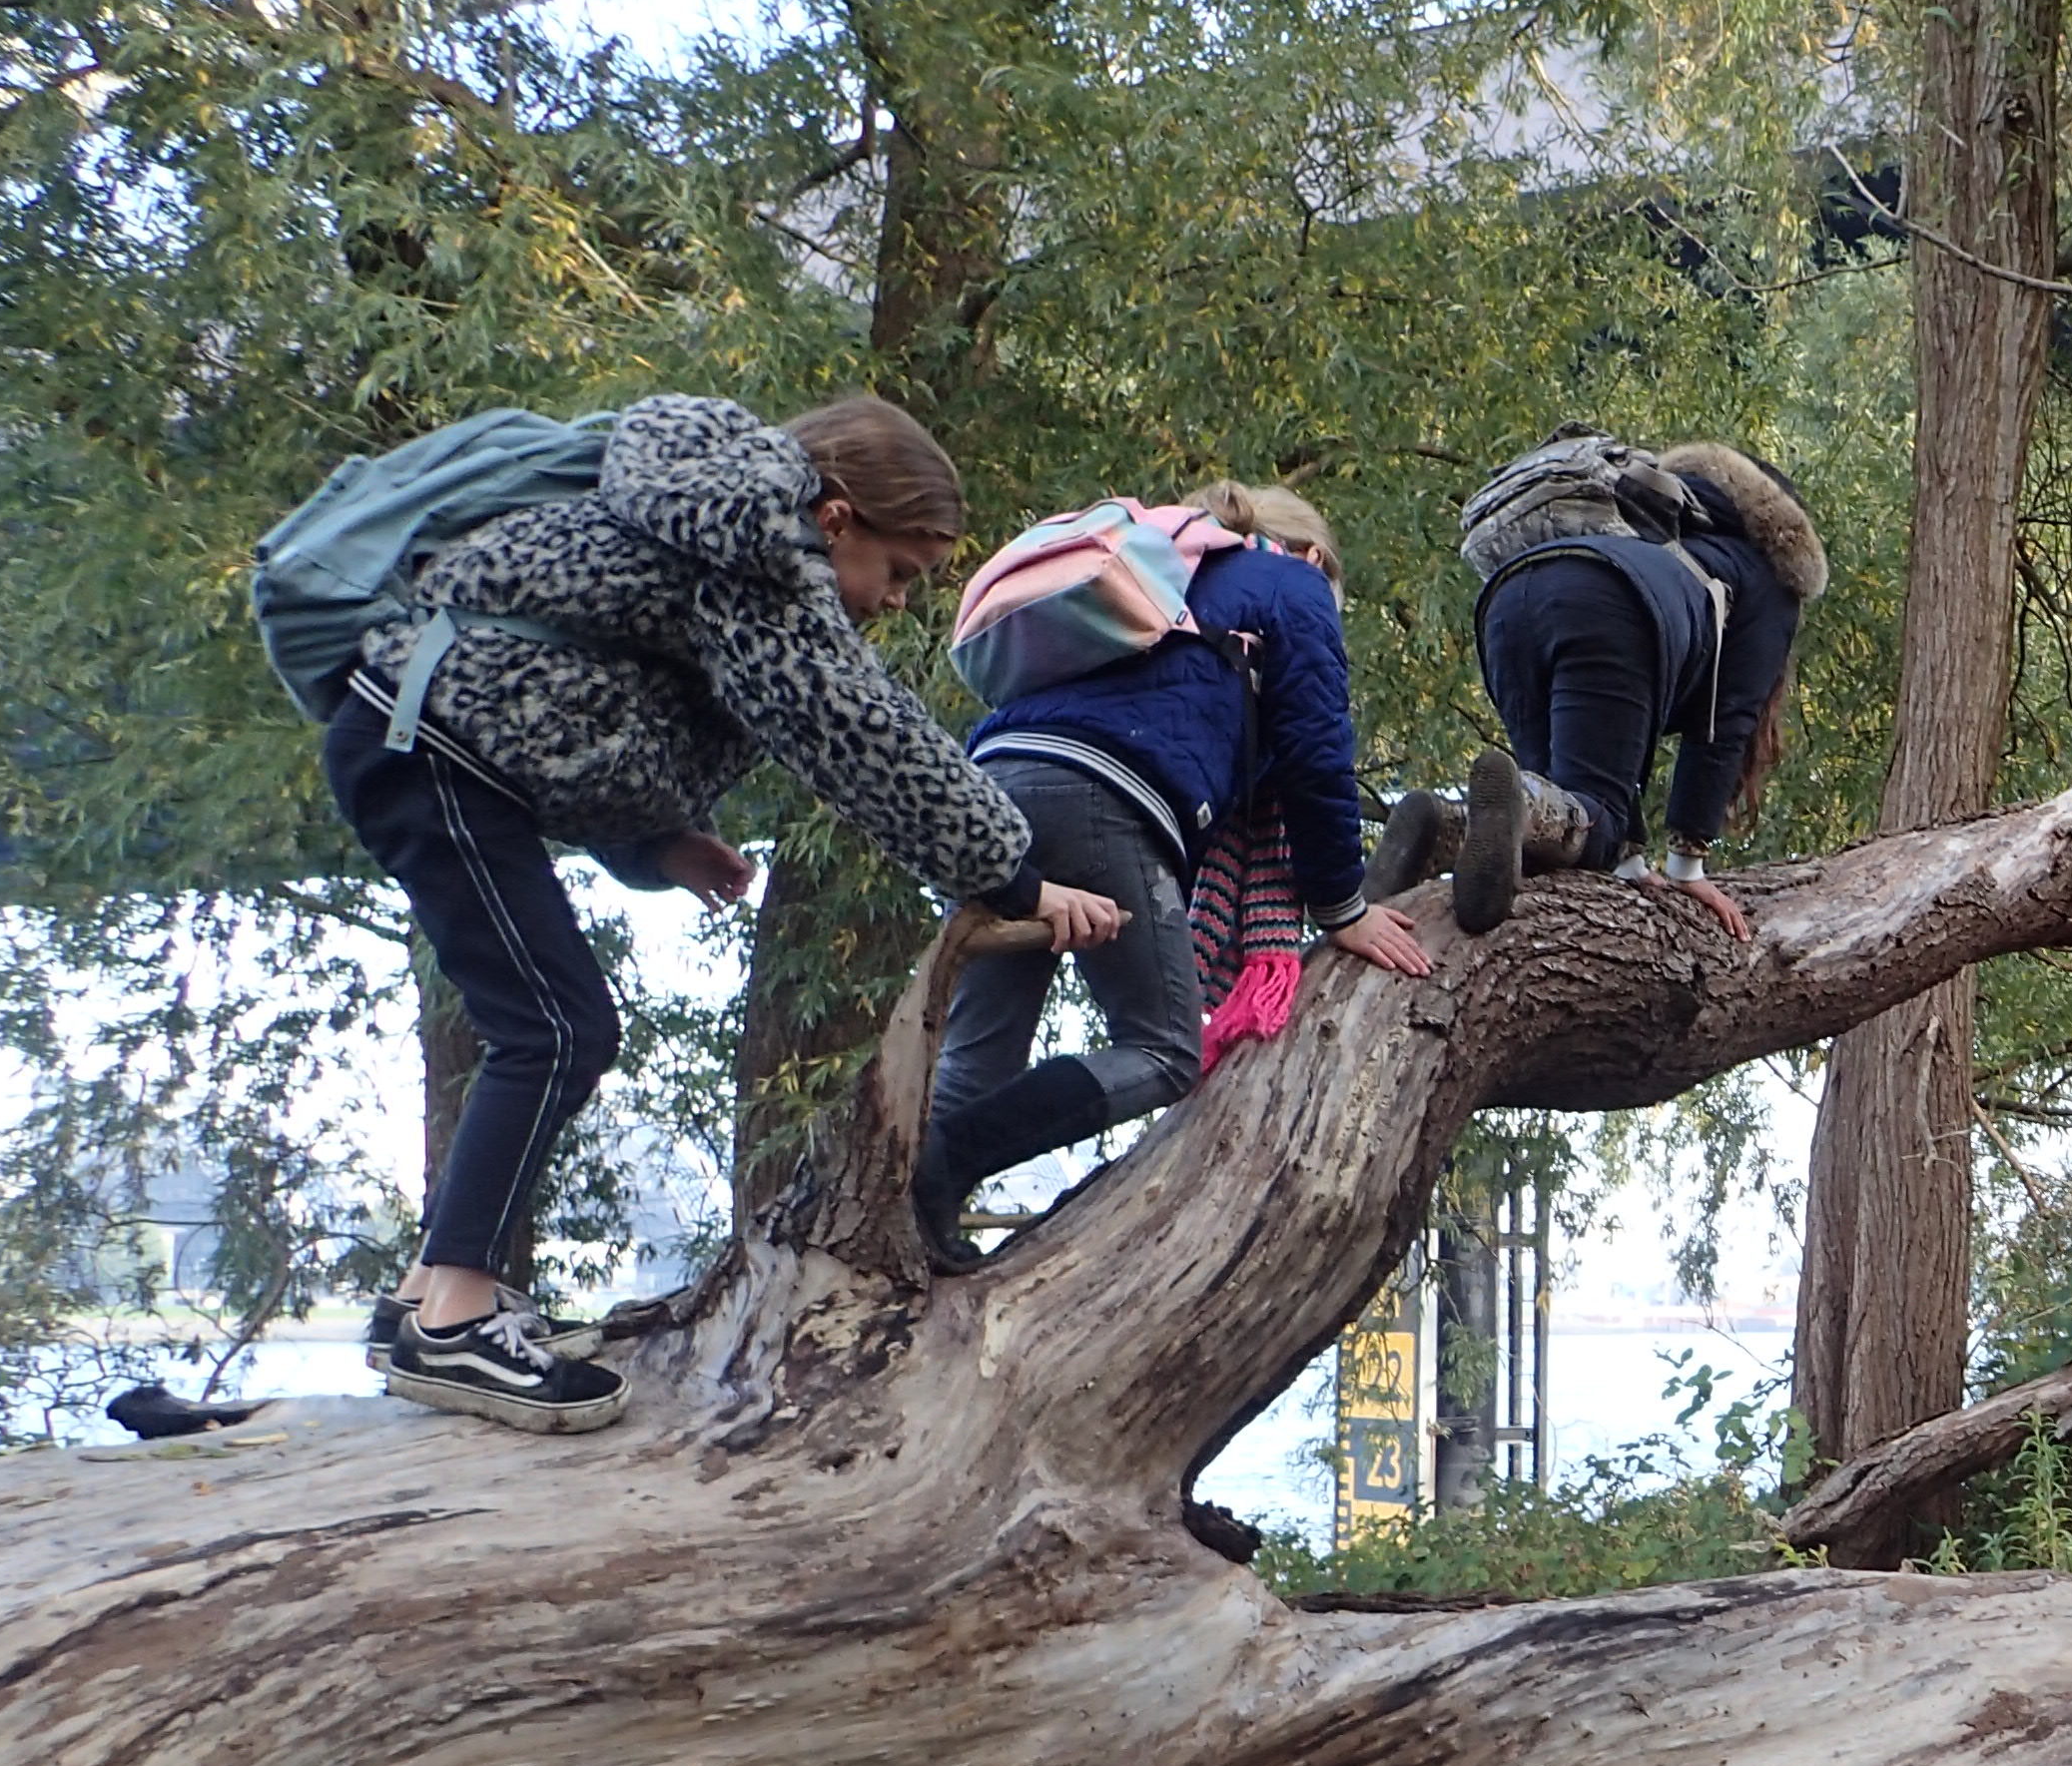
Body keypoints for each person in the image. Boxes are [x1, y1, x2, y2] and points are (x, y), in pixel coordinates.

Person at [326, 391, 1124, 1432]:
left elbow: (569, 696)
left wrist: (656, 843)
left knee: (551, 1025)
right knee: (558, 1029)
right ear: (836, 518)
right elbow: (864, 737)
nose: (894, 603)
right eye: (898, 572)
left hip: (418, 739)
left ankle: (425, 1299)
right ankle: (453, 1325)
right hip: (427, 754)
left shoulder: (708, 526)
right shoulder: (762, 553)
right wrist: (1014, 877)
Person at [915, 482, 1434, 1269]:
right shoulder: (1291, 584)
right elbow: (1317, 754)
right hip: (1103, 798)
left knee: (981, 1052)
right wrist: (1342, 905)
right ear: (1316, 558)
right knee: (1163, 1050)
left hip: (994, 783)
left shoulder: (1155, 569)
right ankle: (945, 1159)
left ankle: (900, 1215)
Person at [1373, 442, 1828, 943]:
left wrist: (1631, 864)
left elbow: (1622, 738)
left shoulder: (1653, 524)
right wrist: (1686, 866)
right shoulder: (1767, 577)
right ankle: (1520, 802)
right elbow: (1726, 721)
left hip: (1506, 601)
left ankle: (1443, 827)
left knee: (1558, 818)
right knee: (1595, 824)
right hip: (1612, 605)